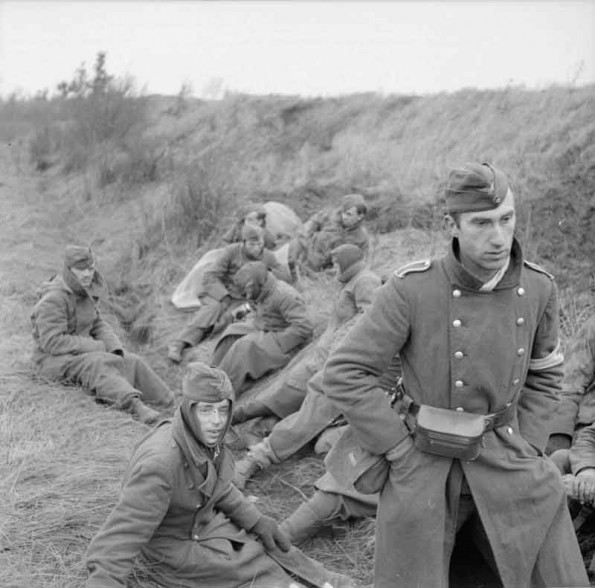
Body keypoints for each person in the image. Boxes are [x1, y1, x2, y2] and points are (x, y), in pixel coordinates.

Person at [322, 162, 588, 588]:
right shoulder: (411, 289)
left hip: (504, 453)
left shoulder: (539, 288)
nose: (499, 237)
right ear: (452, 224)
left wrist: (531, 445)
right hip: (422, 458)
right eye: (482, 223)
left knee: (552, 558)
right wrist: (396, 449)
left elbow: (545, 373)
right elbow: (345, 372)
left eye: (507, 219)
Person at [85, 362, 355, 588]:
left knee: (269, 542)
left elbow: (220, 488)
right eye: (206, 410)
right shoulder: (160, 465)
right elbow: (118, 541)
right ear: (189, 409)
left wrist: (257, 520)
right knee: (249, 565)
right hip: (173, 547)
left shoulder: (202, 437)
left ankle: (325, 582)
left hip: (202, 520)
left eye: (223, 410)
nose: (216, 421)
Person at [232, 244, 384, 487]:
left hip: (341, 364)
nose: (333, 268)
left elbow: (368, 322)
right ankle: (247, 421)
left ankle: (256, 453)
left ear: (348, 264)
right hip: (325, 356)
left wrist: (338, 350)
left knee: (307, 411)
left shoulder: (366, 281)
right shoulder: (352, 282)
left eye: (336, 264)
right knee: (288, 393)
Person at [30, 245, 174, 425]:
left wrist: (114, 347)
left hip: (76, 353)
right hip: (52, 360)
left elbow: (96, 323)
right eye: (80, 270)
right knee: (98, 363)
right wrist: (96, 347)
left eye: (90, 269)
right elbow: (52, 342)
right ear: (68, 270)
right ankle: (136, 407)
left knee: (132, 361)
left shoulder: (84, 290)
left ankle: (170, 405)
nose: (87, 274)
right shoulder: (54, 299)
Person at [167, 225, 289, 363]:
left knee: (234, 318)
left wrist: (268, 272)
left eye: (259, 244)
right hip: (219, 292)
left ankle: (207, 336)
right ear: (243, 242)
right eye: (251, 244)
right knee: (211, 310)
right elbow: (210, 275)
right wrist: (223, 296)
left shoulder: (267, 256)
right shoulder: (231, 252)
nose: (256, 247)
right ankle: (179, 344)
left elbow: (286, 276)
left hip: (244, 299)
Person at [212, 261, 313, 395]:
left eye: (247, 290)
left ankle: (220, 394)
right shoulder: (260, 288)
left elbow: (304, 328)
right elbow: (253, 306)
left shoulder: (285, 295)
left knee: (245, 346)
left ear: (255, 284)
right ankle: (210, 375)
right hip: (265, 326)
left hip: (284, 341)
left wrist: (274, 341)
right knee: (232, 331)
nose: (246, 295)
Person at [287, 193, 369, 280]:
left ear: (360, 216)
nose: (344, 217)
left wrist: (320, 276)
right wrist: (297, 245)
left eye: (349, 214)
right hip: (303, 258)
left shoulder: (361, 240)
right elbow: (305, 231)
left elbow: (356, 268)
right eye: (343, 212)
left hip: (322, 276)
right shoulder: (328, 217)